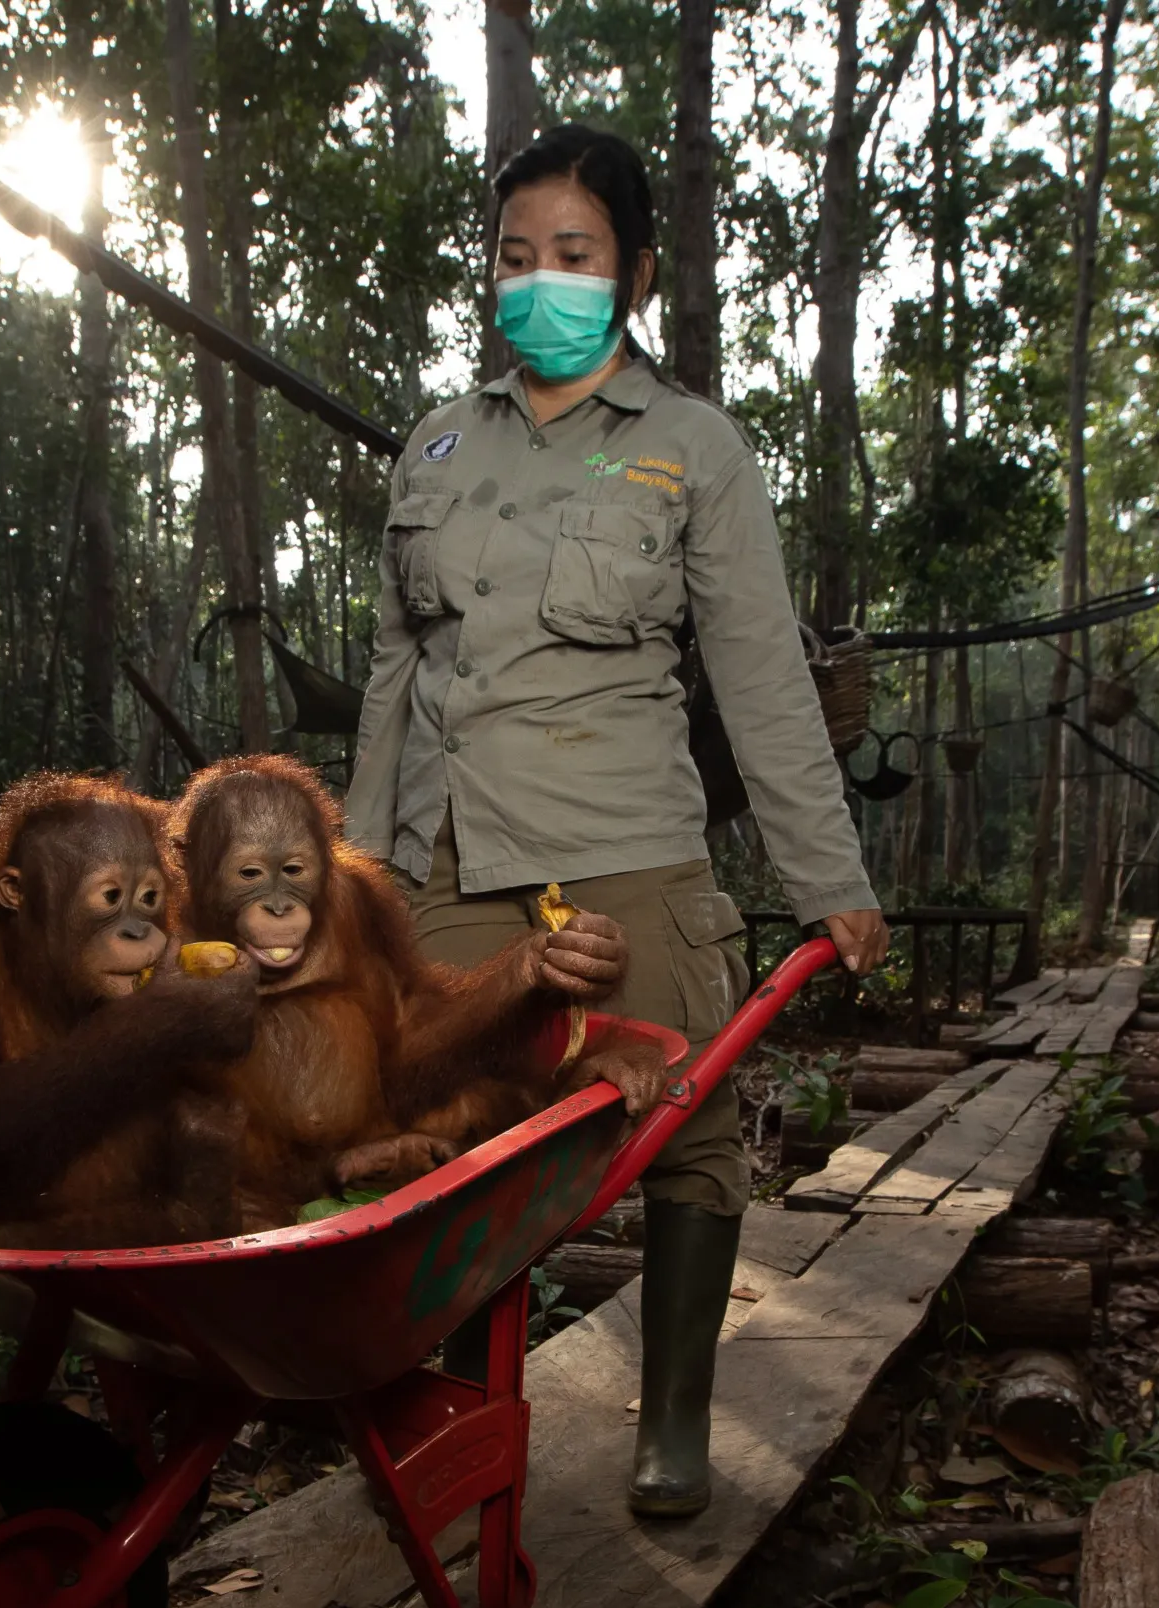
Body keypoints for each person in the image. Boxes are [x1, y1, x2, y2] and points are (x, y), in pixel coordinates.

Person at [347, 123, 889, 1522]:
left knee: (688, 1132)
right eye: (516, 256)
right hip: (451, 865)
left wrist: (830, 873)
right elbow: (396, 676)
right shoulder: (439, 441)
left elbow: (763, 673)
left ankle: (673, 1421)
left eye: (572, 256)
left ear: (634, 272)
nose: (540, 282)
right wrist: (362, 876)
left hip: (624, 852)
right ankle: (463, 1420)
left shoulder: (690, 447)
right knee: (456, 1144)